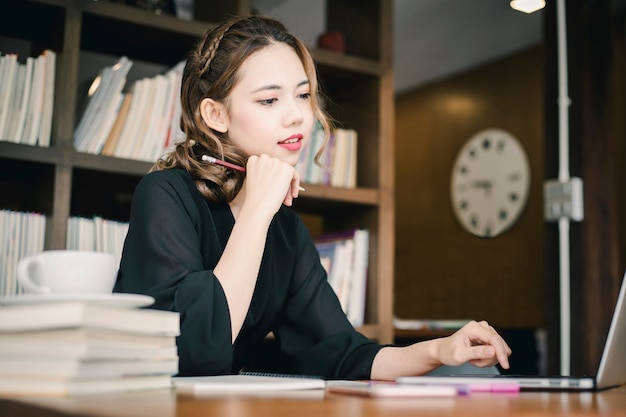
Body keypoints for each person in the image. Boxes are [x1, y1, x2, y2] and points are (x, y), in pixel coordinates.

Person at [114, 14, 511, 380]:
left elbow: (340, 353)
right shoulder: (165, 193)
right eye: (269, 100)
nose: (298, 116)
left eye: (302, 95)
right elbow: (195, 351)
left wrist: (440, 351)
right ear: (215, 115)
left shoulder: (284, 226)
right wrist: (255, 212)